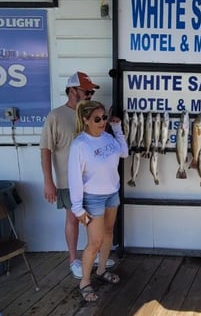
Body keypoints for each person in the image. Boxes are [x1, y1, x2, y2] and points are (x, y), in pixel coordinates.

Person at [40, 71, 114, 279]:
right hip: (67, 180)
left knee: (96, 220)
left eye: (91, 92)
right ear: (72, 91)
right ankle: (73, 260)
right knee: (73, 218)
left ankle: (96, 255)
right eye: (86, 91)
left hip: (93, 183)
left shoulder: (94, 114)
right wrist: (48, 181)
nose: (90, 94)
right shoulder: (55, 115)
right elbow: (46, 149)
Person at [67, 100, 129, 302]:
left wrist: (118, 128)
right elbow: (74, 178)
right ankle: (84, 281)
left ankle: (101, 270)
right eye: (97, 119)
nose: (102, 122)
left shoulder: (108, 137)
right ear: (85, 120)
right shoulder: (80, 145)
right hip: (92, 198)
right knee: (94, 242)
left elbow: (124, 152)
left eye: (104, 118)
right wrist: (77, 209)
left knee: (109, 233)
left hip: (112, 193)